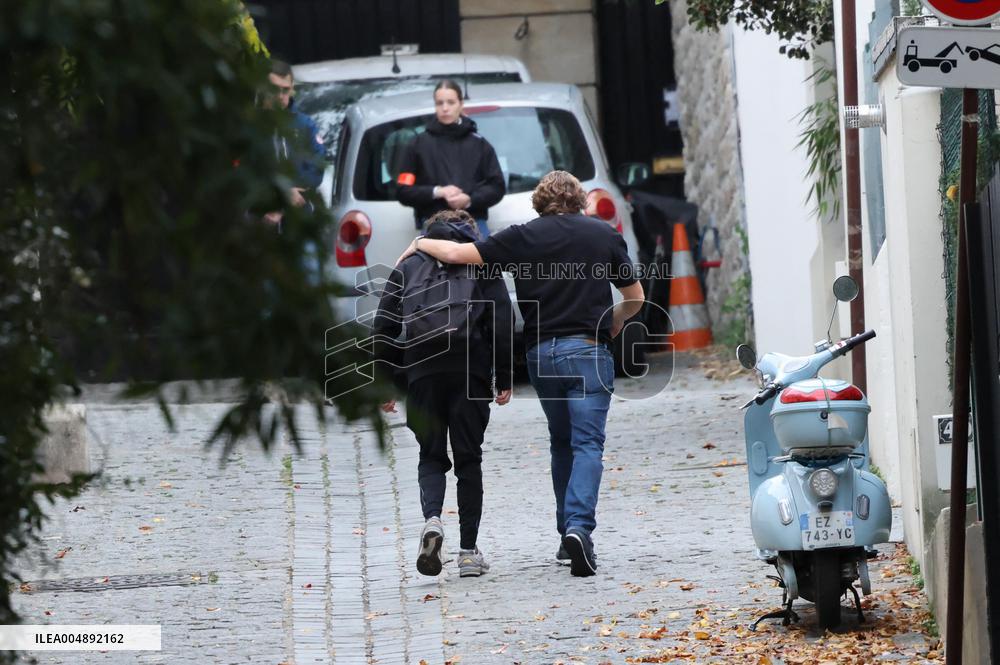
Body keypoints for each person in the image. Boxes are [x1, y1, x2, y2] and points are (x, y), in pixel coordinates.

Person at [395, 171, 645, 578]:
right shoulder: (604, 236)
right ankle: (578, 528)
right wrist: (613, 321)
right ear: (580, 200)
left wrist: (421, 242)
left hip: (542, 354)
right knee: (587, 443)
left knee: (561, 441)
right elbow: (635, 298)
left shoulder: (522, 236)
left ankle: (568, 532)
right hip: (587, 350)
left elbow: (459, 255)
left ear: (540, 202)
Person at [373, 209, 514, 578]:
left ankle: (433, 520)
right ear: (470, 232)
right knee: (469, 460)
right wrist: (504, 376)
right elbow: (501, 319)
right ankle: (468, 552)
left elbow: (383, 326)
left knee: (430, 455)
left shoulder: (408, 265)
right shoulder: (480, 264)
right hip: (470, 371)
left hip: (422, 372)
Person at [395, 80, 506, 239]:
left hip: (473, 223)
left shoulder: (480, 144)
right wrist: (437, 192)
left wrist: (469, 200)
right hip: (433, 224)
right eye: (440, 103)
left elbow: (497, 186)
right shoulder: (418, 144)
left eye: (451, 102)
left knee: (480, 263)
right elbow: (403, 190)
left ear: (461, 104)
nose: (445, 108)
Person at [263, 59, 325, 226]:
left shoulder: (305, 125)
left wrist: (291, 192)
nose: (280, 96)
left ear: (292, 90)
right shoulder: (251, 126)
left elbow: (317, 168)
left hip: (299, 218)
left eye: (285, 90)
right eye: (275, 90)